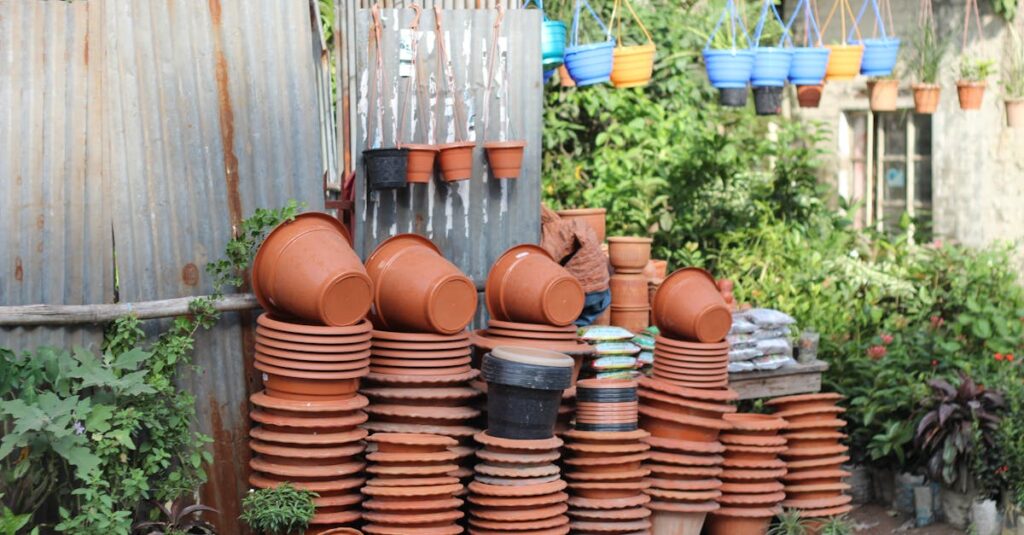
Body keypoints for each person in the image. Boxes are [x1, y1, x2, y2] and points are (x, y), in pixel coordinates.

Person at [540, 206, 611, 327]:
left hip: (583, 294)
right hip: (603, 292)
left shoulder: (554, 232)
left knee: (563, 326)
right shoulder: (575, 224)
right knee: (576, 328)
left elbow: (544, 262)